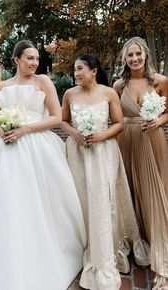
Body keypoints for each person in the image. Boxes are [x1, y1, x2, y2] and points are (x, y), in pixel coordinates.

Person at [0, 40, 87, 290]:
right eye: (29, 58)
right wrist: (4, 131)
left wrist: (26, 128)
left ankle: (50, 247)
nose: (34, 63)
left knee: (42, 198)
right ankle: (16, 253)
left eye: (37, 59)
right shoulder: (3, 85)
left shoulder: (43, 81)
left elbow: (56, 117)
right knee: (13, 201)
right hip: (9, 152)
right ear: (16, 60)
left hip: (39, 147)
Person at [61, 54, 150, 290]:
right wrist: (74, 133)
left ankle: (105, 246)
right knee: (80, 198)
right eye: (74, 70)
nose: (76, 73)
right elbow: (63, 122)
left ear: (93, 70)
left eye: (80, 68)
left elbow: (119, 124)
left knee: (103, 198)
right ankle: (81, 244)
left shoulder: (109, 93)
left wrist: (100, 135)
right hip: (77, 154)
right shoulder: (69, 94)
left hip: (103, 153)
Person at [113, 36, 168, 290]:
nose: (134, 59)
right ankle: (138, 240)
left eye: (138, 54)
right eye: (129, 55)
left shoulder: (160, 82)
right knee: (130, 189)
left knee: (153, 191)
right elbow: (114, 117)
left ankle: (160, 251)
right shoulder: (118, 85)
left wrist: (160, 121)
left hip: (151, 139)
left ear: (146, 55)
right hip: (126, 141)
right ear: (124, 58)